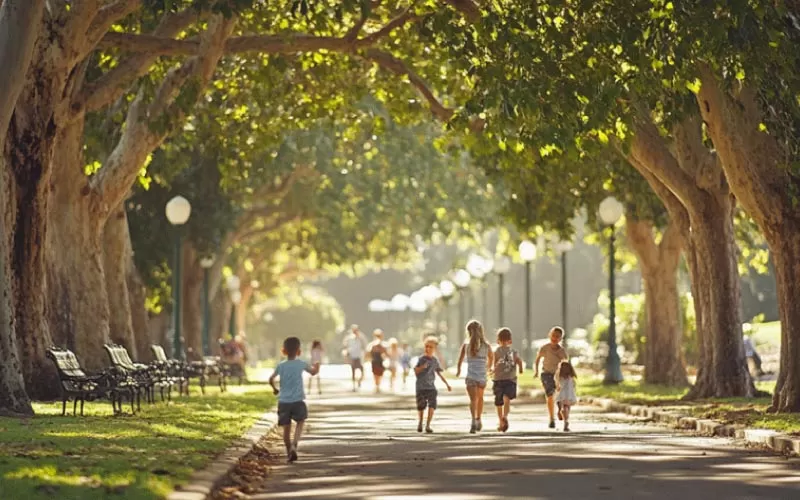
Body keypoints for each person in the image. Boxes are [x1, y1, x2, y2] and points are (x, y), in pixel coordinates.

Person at [268, 337, 320, 463]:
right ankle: (295, 445)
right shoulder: (301, 364)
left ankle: (288, 451)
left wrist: (275, 389)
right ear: (299, 351)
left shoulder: (281, 366)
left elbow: (271, 379)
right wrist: (317, 366)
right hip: (298, 401)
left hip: (284, 402)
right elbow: (313, 372)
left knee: (286, 430)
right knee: (300, 422)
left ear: (283, 351)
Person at [456, 320, 494, 433]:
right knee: (480, 398)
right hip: (482, 377)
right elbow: (491, 357)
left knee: (473, 400)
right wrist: (488, 367)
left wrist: (458, 371)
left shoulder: (466, 346)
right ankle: (479, 419)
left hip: (471, 376)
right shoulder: (486, 345)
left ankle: (473, 420)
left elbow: (460, 360)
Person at [415, 336, 452, 433]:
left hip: (431, 387)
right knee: (421, 406)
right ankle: (420, 422)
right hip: (421, 387)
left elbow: (439, 373)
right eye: (426, 346)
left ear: (435, 349)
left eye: (430, 347)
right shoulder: (421, 359)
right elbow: (416, 371)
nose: (428, 349)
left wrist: (447, 384)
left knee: (432, 405)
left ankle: (428, 425)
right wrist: (422, 367)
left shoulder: (435, 361)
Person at [534, 326, 569, 429]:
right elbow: (537, 360)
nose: (554, 338)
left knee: (559, 395)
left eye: (557, 337)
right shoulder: (544, 348)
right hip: (546, 374)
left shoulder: (562, 351)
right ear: (549, 335)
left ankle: (559, 410)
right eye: (553, 335)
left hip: (558, 375)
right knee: (550, 394)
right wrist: (536, 371)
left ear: (560, 339)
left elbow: (566, 364)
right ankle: (551, 418)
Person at [492, 328, 523, 432]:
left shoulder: (496, 351)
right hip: (510, 379)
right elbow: (519, 361)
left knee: (498, 402)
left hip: (498, 379)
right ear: (510, 340)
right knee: (507, 399)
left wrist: (492, 370)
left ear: (498, 340)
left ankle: (501, 420)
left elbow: (494, 363)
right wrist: (521, 369)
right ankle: (505, 416)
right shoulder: (513, 352)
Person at [554, 360, 578, 432]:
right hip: (569, 395)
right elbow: (574, 385)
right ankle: (566, 421)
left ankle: (560, 411)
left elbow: (557, 385)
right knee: (567, 408)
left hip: (562, 395)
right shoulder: (571, 376)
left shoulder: (559, 376)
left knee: (561, 405)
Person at [342, 325, 367, 391]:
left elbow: (364, 345)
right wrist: (346, 354)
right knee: (353, 371)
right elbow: (345, 346)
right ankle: (353, 385)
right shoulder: (349, 338)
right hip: (352, 356)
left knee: (362, 370)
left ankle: (359, 381)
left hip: (359, 356)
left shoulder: (361, 337)